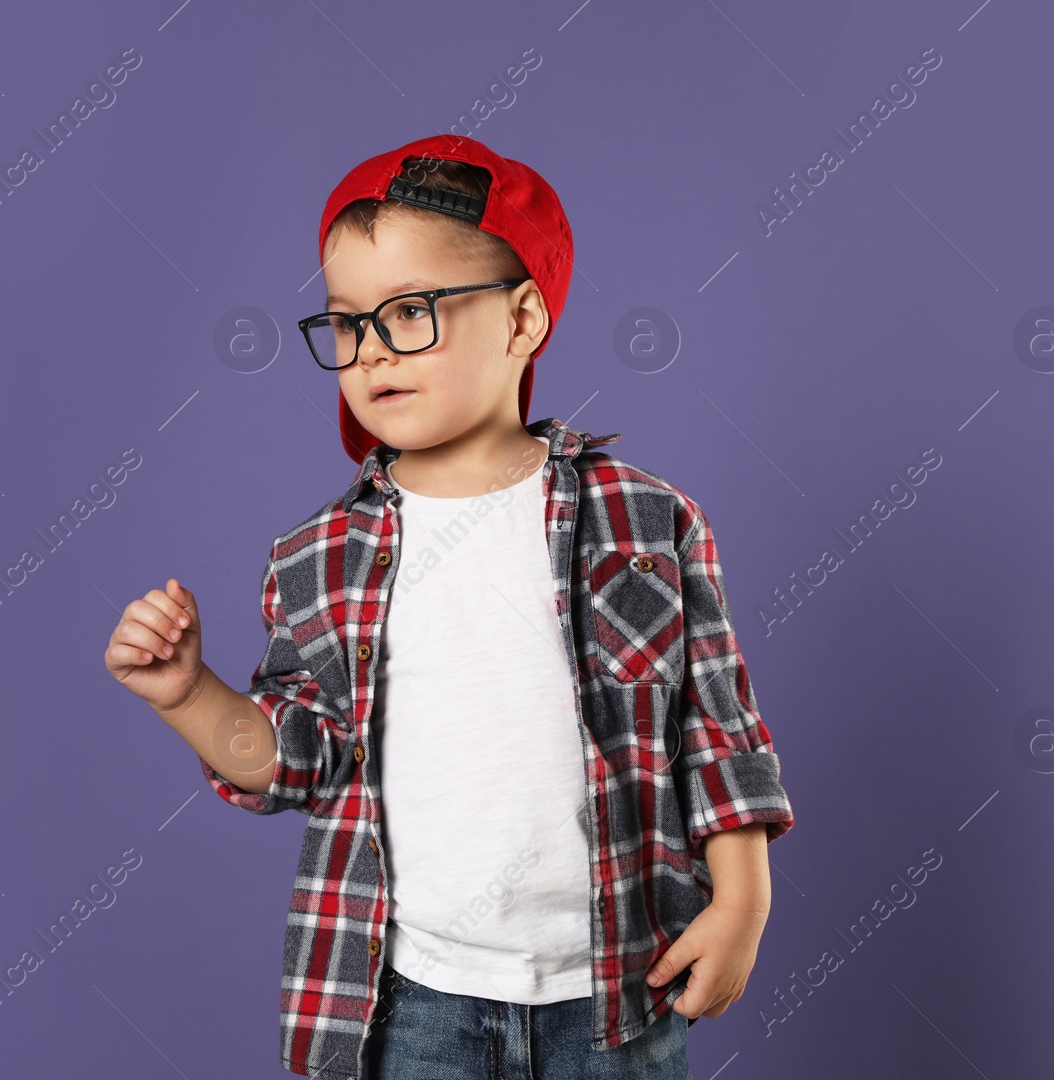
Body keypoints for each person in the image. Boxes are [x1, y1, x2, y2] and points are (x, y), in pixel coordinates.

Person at [104, 135, 797, 1080]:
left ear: (521, 320)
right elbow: (295, 762)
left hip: (618, 990)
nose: (373, 350)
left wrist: (741, 905)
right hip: (412, 1000)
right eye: (349, 324)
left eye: (412, 313)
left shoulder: (644, 518)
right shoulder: (319, 556)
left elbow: (715, 724)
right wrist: (186, 695)